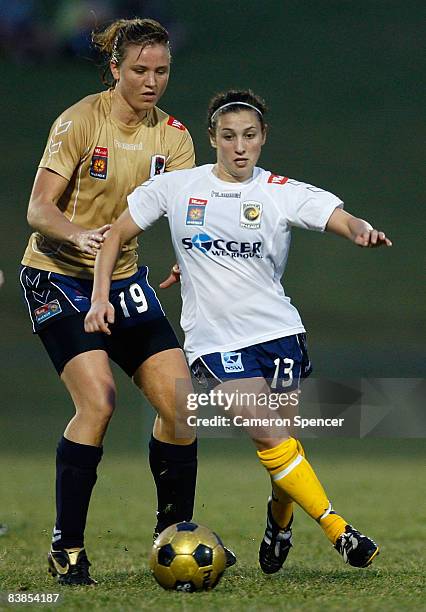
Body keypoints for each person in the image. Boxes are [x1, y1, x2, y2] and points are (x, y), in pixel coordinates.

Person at [85, 89, 392, 573]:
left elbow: (339, 217)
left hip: (281, 335)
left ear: (263, 138)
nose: (239, 146)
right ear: (212, 139)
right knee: (271, 439)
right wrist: (101, 295)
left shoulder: (278, 190)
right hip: (215, 344)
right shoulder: (177, 187)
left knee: (284, 449)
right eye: (228, 136)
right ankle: (340, 531)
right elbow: (116, 235)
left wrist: (360, 230)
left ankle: (279, 522)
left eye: (249, 136)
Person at [19, 17, 218, 586]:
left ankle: (175, 532)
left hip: (126, 279)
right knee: (99, 403)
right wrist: (77, 235)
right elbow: (38, 209)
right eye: (140, 70)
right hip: (57, 275)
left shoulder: (174, 137)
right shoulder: (81, 120)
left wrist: (191, 252)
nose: (152, 80)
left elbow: (189, 211)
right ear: (115, 69)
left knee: (182, 407)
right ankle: (67, 547)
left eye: (161, 70)